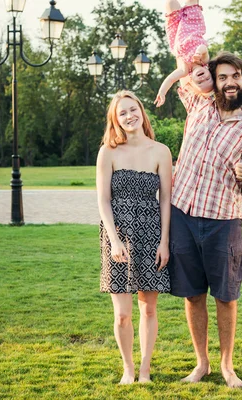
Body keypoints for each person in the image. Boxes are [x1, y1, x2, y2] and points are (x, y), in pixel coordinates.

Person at [169, 51, 242, 388]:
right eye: (223, 76)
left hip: (223, 221)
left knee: (225, 296)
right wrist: (197, 72)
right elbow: (185, 62)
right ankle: (202, 364)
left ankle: (227, 366)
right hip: (181, 213)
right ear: (216, 79)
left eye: (235, 77)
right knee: (193, 294)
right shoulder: (198, 104)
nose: (230, 83)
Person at [96, 90, 173, 384]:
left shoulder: (160, 151)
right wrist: (114, 240)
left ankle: (144, 370)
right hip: (118, 236)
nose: (129, 116)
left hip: (151, 233)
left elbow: (165, 199)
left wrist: (164, 241)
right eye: (122, 113)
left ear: (142, 111)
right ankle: (128, 368)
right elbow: (103, 200)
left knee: (149, 307)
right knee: (122, 314)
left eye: (133, 110)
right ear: (115, 120)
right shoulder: (109, 152)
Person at [154, 0, 214, 107]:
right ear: (209, 72)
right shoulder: (203, 61)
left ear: (193, 81)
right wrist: (198, 52)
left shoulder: (184, 70)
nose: (202, 78)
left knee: (170, 4)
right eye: (207, 79)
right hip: (193, 25)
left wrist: (162, 92)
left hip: (175, 34)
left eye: (200, 82)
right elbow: (203, 48)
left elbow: (171, 79)